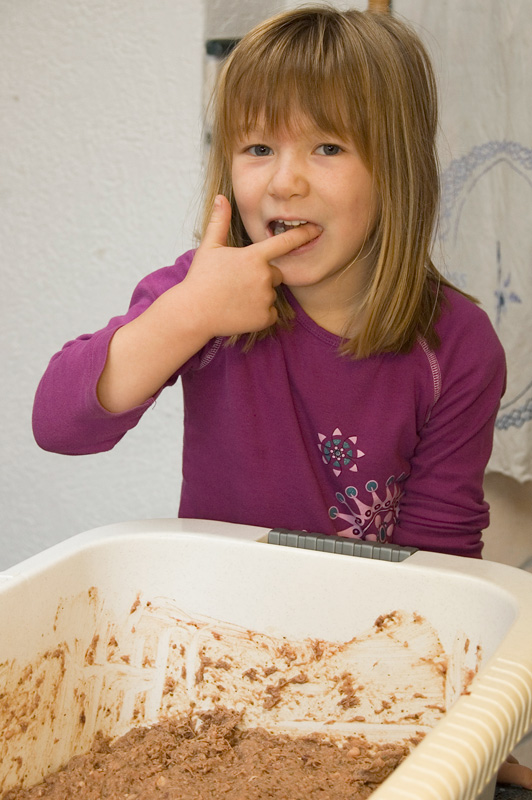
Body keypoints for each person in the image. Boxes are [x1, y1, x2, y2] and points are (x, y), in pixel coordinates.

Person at [32, 6, 531, 787]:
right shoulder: (201, 297)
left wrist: (468, 743)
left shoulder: (457, 347)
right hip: (209, 668)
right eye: (258, 147)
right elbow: (58, 423)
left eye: (327, 147)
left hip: (363, 682)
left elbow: (442, 570)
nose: (284, 178)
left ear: (394, 167)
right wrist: (190, 314)